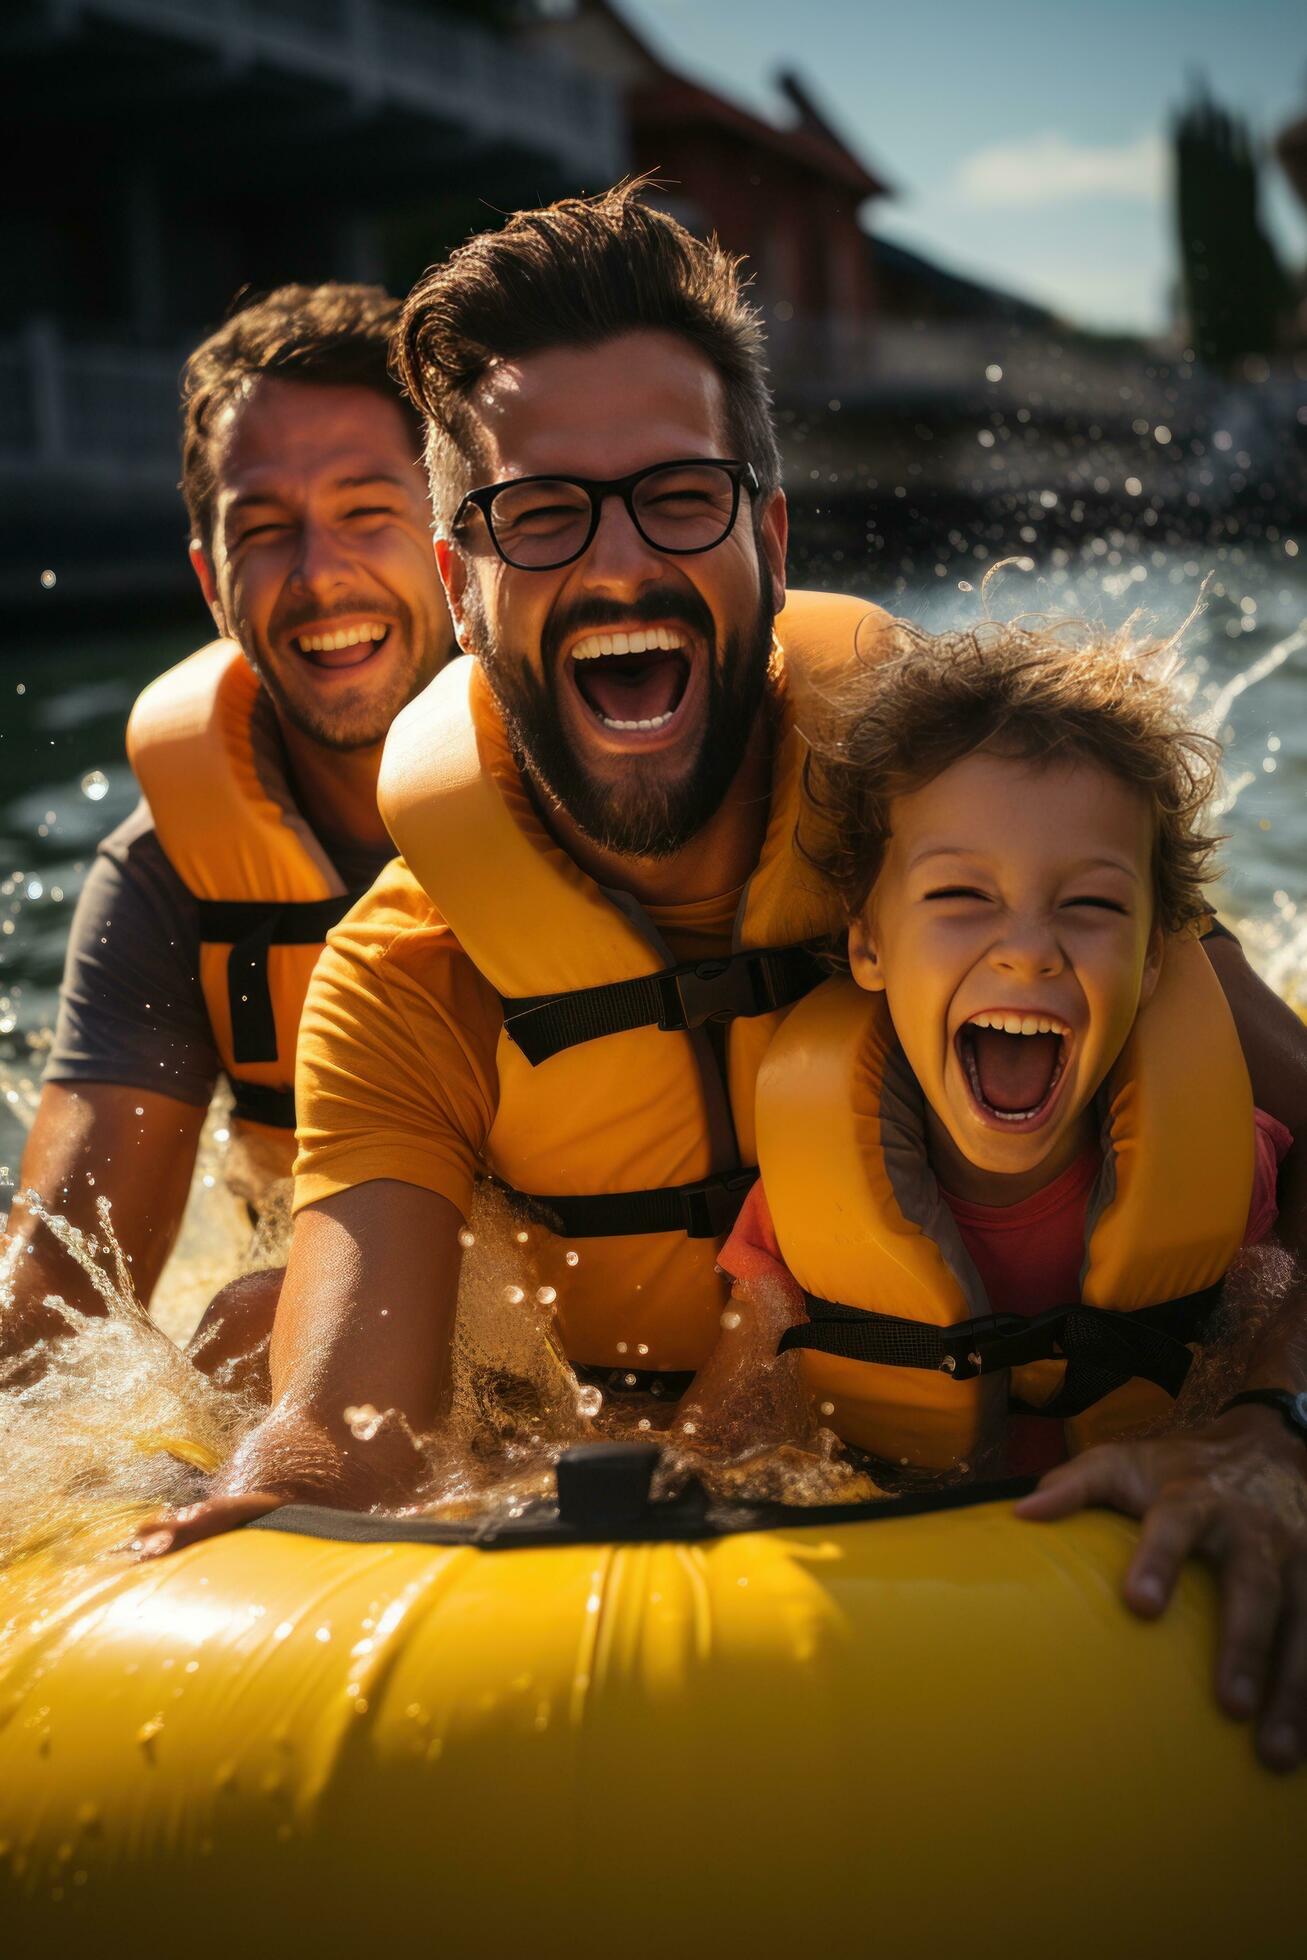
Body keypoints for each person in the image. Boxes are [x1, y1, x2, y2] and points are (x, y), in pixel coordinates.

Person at [133, 186, 1307, 1771]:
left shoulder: (993, 844)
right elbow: (348, 1434)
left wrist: (1267, 1432)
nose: (617, 566)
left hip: (1029, 1453)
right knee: (242, 1323)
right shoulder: (402, 982)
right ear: (457, 579)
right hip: (644, 1448)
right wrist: (254, 1539)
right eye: (540, 514)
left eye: (676, 496)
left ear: (767, 527)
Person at [707, 612, 1289, 1487]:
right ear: (868, 945)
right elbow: (717, 1445)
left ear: (1155, 955)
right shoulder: (799, 1198)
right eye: (961, 895)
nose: (1029, 949)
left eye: (1090, 907)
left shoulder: (1222, 1161)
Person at [2, 283, 456, 1360]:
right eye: (264, 530)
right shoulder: (172, 872)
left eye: (364, 511)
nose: (318, 575)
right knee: (245, 1335)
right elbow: (57, 1302)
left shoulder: (614, 775)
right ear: (211, 582)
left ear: (450, 532)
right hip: (339, 1364)